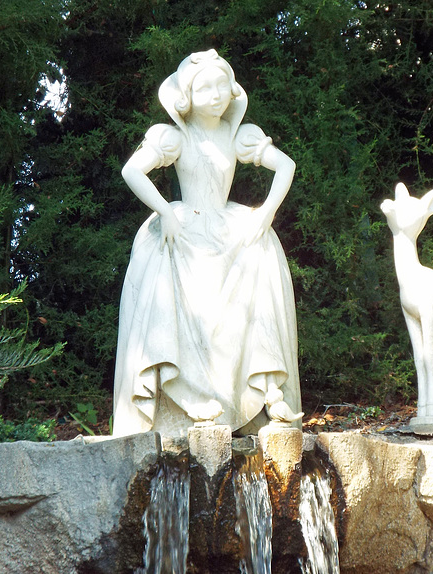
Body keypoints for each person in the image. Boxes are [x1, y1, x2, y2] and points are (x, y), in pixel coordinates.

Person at [112, 49, 302, 437]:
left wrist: (265, 213)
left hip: (226, 224)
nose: (215, 96)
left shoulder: (238, 135)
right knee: (166, 268)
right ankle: (186, 392)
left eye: (221, 86)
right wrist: (165, 211)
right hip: (187, 223)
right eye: (204, 89)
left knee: (261, 253)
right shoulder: (175, 136)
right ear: (186, 97)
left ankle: (266, 387)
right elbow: (132, 170)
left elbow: (287, 166)